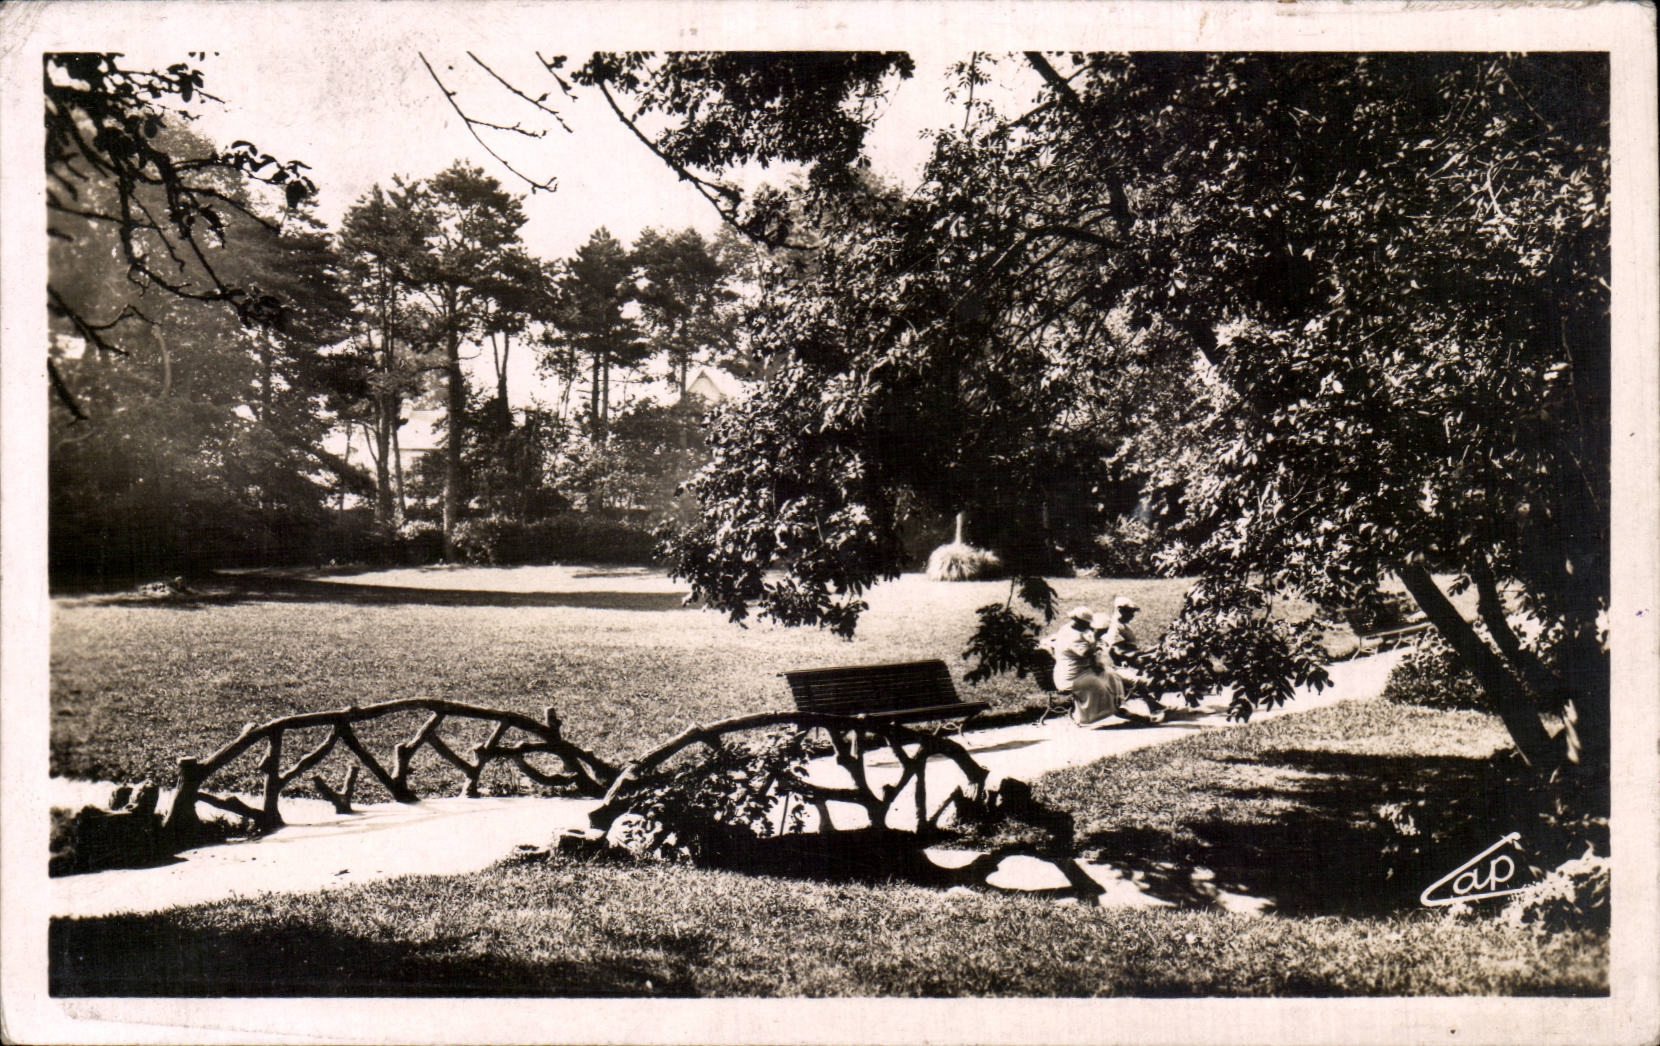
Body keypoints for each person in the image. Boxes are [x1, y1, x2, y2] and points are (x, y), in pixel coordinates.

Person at [1046, 606, 1125, 726]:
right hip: (1071, 677)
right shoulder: (1073, 637)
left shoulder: (1067, 628)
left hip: (1080, 671)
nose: (1088, 627)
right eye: (1086, 624)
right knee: (1098, 684)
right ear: (1077, 621)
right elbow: (1085, 653)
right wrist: (1096, 641)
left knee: (1111, 675)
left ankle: (1117, 706)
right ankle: (1093, 715)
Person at [1100, 596, 1166, 723]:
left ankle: (1155, 703)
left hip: (1131, 657)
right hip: (1123, 662)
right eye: (1129, 612)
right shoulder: (1113, 627)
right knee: (1152, 670)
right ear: (1119, 610)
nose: (1132, 615)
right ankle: (1153, 705)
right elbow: (1116, 650)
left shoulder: (1122, 625)